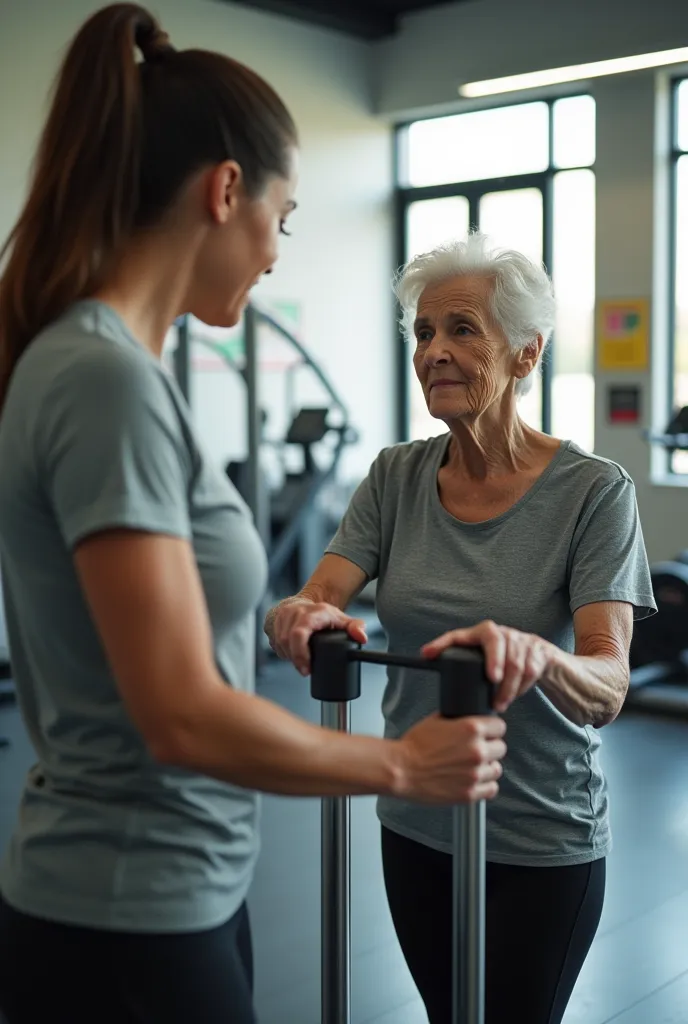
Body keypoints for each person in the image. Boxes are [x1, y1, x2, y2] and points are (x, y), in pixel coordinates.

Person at [0, 7, 508, 1024]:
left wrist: (273, 605)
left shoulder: (106, 363)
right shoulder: (104, 378)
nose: (278, 250)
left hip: (160, 893)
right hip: (125, 913)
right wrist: (400, 763)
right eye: (282, 216)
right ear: (225, 190)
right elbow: (179, 713)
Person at [265, 233, 657, 1024]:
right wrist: (295, 613)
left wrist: (535, 656)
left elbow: (607, 683)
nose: (434, 352)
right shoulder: (395, 476)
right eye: (423, 332)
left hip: (538, 833)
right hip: (414, 819)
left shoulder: (593, 492)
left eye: (463, 330)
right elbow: (318, 594)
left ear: (525, 354)